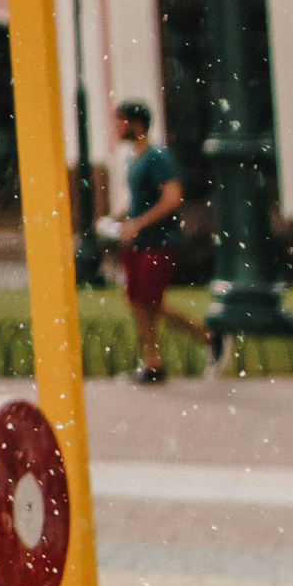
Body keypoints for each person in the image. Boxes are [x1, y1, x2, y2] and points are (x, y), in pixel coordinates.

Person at [108, 99, 196, 381]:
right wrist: (122, 220)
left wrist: (139, 223)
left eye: (120, 121)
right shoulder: (135, 158)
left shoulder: (158, 157)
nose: (116, 127)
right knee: (137, 301)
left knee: (151, 302)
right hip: (137, 242)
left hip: (159, 241)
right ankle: (152, 362)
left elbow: (172, 197)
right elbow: (140, 202)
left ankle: (207, 336)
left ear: (136, 124)